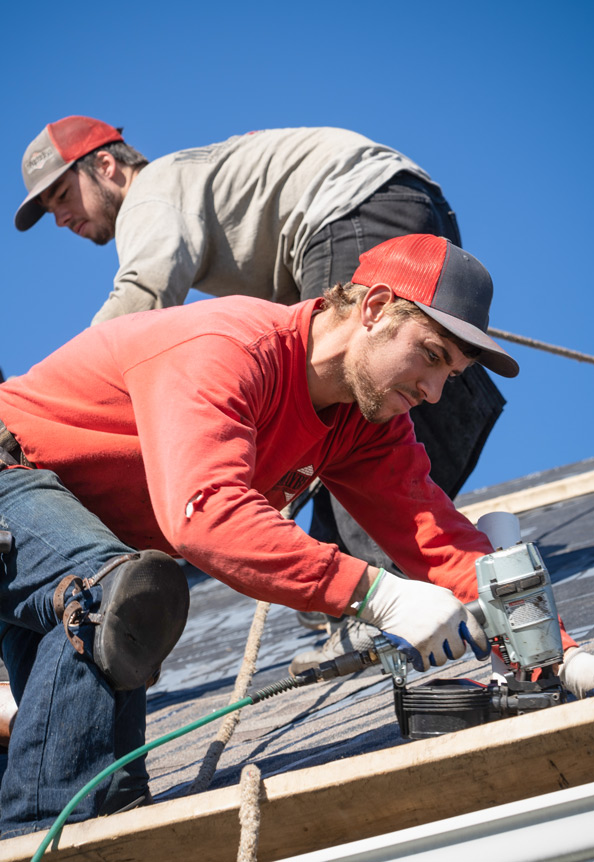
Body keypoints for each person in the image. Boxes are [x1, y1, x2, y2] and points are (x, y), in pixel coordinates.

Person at [0, 234, 590, 838]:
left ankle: (63, 836)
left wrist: (556, 651)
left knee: (109, 800)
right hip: (10, 477)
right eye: (432, 356)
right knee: (113, 600)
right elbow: (207, 515)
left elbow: (437, 537)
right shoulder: (230, 350)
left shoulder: (364, 423)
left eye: (453, 377)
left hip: (80, 558)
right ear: (376, 307)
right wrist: (377, 595)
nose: (434, 392)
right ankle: (39, 843)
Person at [14, 118, 506, 653]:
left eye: (62, 194)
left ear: (106, 165)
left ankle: (377, 605)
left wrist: (542, 637)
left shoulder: (151, 196)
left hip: (357, 207)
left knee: (363, 385)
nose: (60, 217)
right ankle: (376, 599)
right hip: (402, 202)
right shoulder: (232, 344)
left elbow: (142, 294)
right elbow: (206, 512)